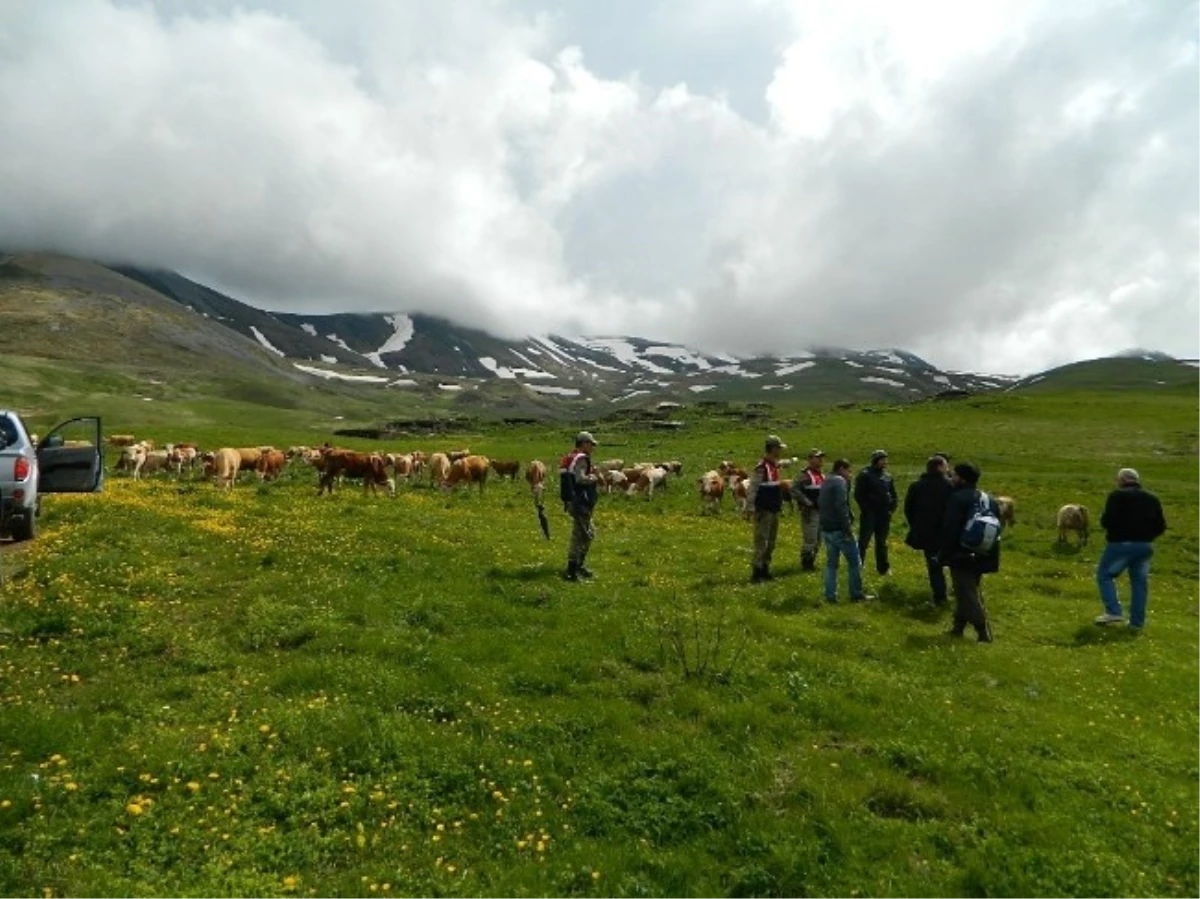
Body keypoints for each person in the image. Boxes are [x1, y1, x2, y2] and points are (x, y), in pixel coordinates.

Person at [1094, 468, 1167, 631]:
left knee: (1104, 575)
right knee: (1139, 583)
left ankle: (1113, 611)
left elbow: (1107, 520)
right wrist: (1148, 537)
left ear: (1122, 480)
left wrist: (1114, 530)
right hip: (1145, 546)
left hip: (1121, 544)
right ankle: (1136, 623)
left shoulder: (1117, 496)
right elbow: (1161, 525)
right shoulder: (1152, 498)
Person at [936, 462, 999, 642]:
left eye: (954, 475)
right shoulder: (989, 498)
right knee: (967, 589)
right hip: (985, 552)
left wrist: (943, 555)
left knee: (966, 592)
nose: (952, 478)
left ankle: (982, 631)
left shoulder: (957, 498)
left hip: (961, 554)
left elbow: (950, 529)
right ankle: (958, 627)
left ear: (961, 479)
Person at [818, 458, 871, 603]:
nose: (850, 474)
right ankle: (856, 593)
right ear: (841, 469)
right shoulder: (840, 482)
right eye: (848, 471)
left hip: (826, 528)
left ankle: (830, 595)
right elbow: (842, 506)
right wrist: (847, 528)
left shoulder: (826, 481)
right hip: (839, 529)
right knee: (855, 562)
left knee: (831, 564)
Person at [904, 455, 953, 606]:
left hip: (926, 533)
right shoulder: (950, 486)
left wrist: (916, 525)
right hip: (947, 532)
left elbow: (908, 509)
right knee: (955, 563)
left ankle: (939, 596)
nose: (947, 469)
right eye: (945, 466)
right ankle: (960, 592)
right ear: (939, 467)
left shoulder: (916, 486)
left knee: (933, 565)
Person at [560, 431, 600, 581]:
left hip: (572, 501)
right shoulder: (582, 459)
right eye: (591, 444)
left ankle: (578, 566)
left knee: (587, 533)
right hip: (580, 502)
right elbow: (580, 479)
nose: (592, 447)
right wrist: (593, 477)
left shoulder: (570, 457)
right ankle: (572, 571)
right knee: (581, 535)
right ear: (584, 443)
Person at [747, 435, 787, 583]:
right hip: (763, 510)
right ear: (773, 449)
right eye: (779, 448)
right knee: (761, 541)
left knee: (771, 541)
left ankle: (765, 568)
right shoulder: (762, 467)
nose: (780, 451)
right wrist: (750, 507)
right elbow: (753, 488)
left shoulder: (774, 466)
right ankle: (756, 572)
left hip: (774, 509)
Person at [854, 449, 898, 576]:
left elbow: (893, 493)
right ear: (875, 461)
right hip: (870, 513)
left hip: (884, 514)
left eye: (886, 459)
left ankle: (883, 567)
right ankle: (858, 564)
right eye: (882, 459)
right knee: (864, 541)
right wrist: (866, 508)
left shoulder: (887, 476)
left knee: (882, 542)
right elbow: (859, 495)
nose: (885, 462)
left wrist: (892, 507)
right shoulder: (865, 475)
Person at [791, 449, 826, 571]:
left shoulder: (822, 475)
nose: (821, 460)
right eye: (817, 457)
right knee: (810, 539)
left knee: (818, 539)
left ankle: (812, 561)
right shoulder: (804, 475)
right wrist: (806, 502)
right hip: (809, 512)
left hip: (821, 511)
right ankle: (806, 563)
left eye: (821, 457)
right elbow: (794, 490)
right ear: (810, 459)